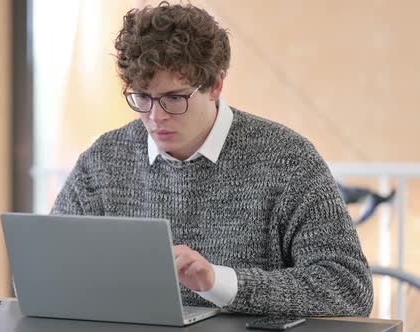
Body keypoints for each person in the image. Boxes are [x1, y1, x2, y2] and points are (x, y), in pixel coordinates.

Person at [51, 1, 373, 317]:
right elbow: (44, 274)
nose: (155, 116)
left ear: (216, 85)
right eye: (142, 97)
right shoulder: (103, 161)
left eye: (174, 98)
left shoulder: (288, 160)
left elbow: (348, 287)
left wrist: (218, 282)